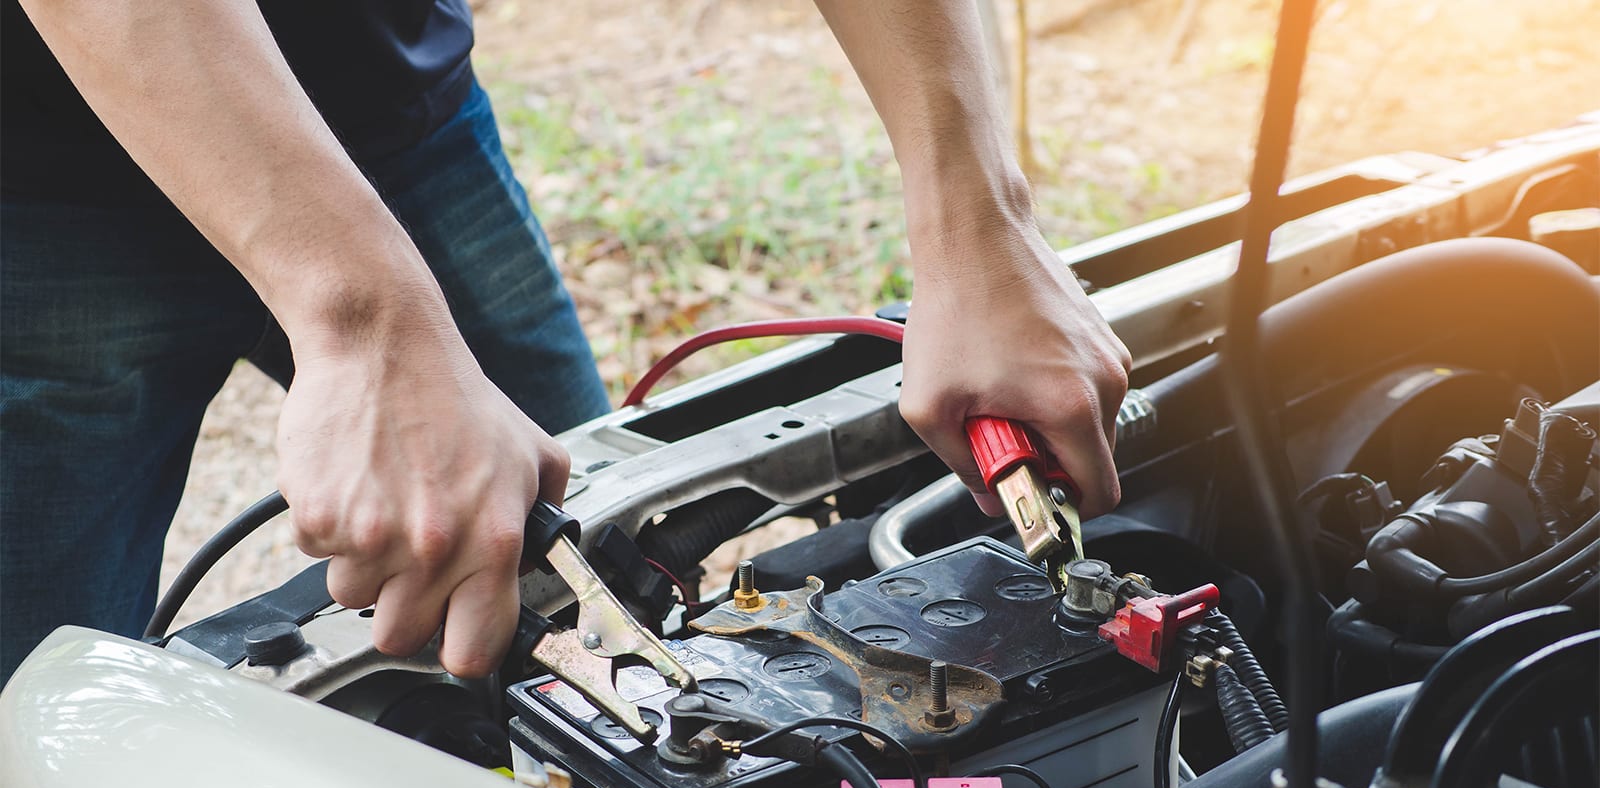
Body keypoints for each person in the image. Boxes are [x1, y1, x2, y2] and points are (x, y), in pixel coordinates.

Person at [0, 0, 1130, 684]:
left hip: (401, 110)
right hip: (44, 194)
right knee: (34, 713)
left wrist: (981, 222)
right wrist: (366, 315)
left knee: (590, 568)